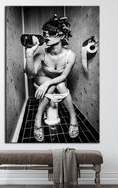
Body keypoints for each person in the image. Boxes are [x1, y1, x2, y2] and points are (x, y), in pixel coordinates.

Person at [24, 14, 79, 142]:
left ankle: (73, 118)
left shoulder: (70, 55)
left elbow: (64, 76)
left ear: (62, 36)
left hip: (55, 82)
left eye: (51, 33)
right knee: (55, 84)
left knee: (57, 84)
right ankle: (38, 119)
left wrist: (47, 85)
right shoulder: (42, 52)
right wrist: (29, 55)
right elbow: (31, 75)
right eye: (45, 33)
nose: (46, 35)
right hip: (41, 79)